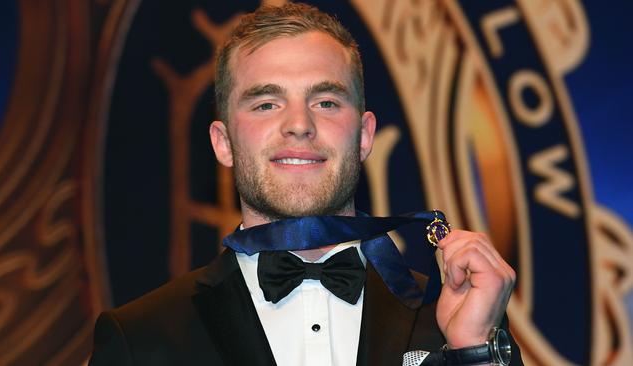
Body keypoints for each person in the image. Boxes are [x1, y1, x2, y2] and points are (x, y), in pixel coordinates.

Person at [89, 3, 523, 365]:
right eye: (266, 103)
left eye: (326, 101)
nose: (299, 124)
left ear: (365, 135)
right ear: (223, 142)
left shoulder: (454, 318)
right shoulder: (139, 340)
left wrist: (474, 352)